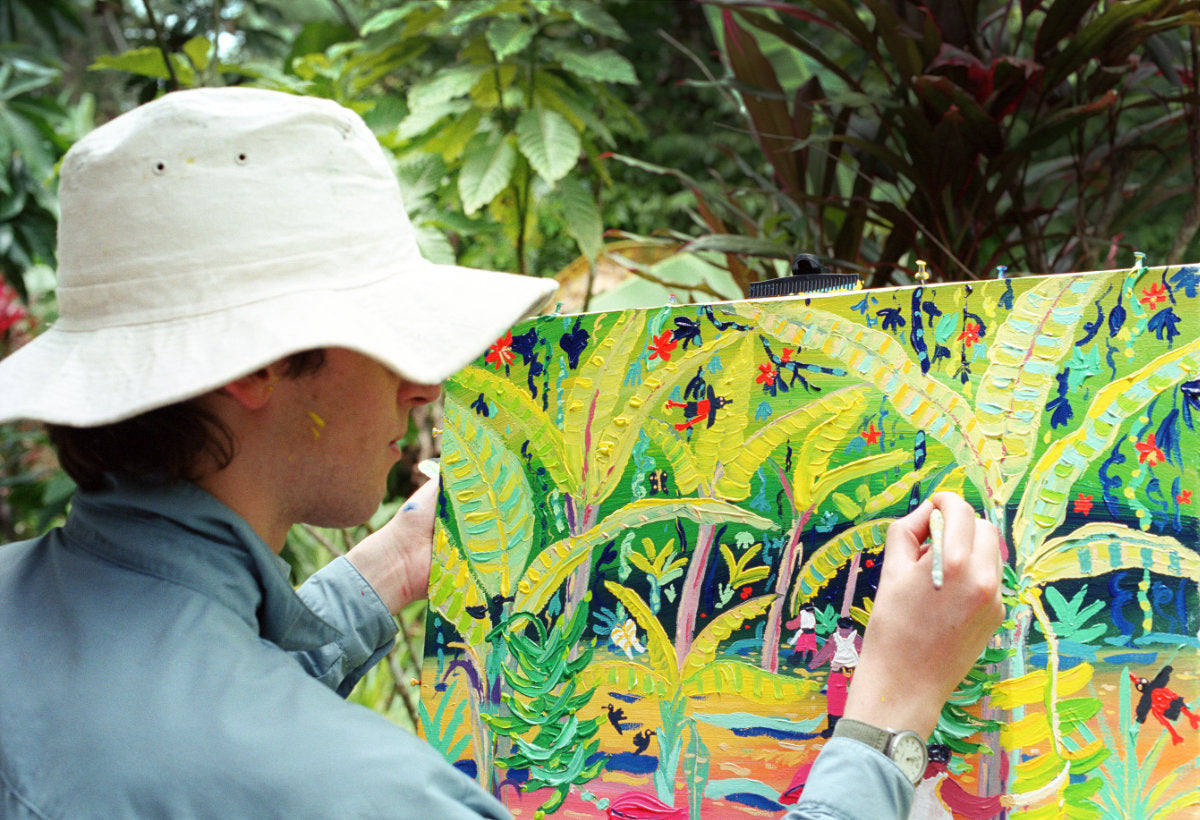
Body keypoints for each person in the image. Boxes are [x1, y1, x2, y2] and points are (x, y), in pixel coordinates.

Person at [0, 88, 1003, 819]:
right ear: (258, 369)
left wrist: (391, 567)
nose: (421, 385)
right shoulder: (367, 792)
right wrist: (891, 708)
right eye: (385, 337)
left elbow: (184, 704)